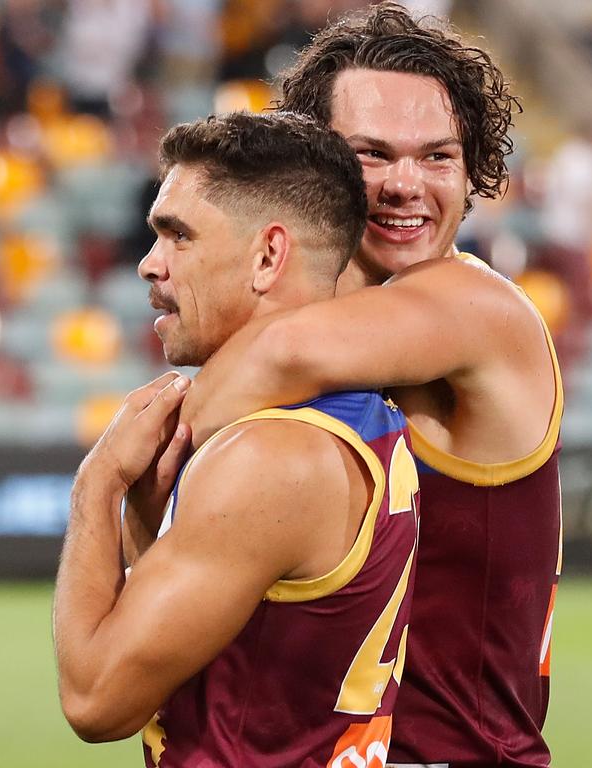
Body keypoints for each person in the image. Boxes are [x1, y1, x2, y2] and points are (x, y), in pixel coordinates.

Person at [182, 3, 563, 766]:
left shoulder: (477, 308)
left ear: (473, 169)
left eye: (438, 157)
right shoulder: (341, 329)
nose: (405, 185)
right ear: (317, 165)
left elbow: (273, 359)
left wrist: (147, 459)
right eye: (371, 153)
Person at [52, 111, 420, 767]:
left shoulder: (271, 458)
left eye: (178, 236)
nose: (149, 264)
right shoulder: (367, 413)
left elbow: (95, 701)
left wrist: (95, 487)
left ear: (268, 255)